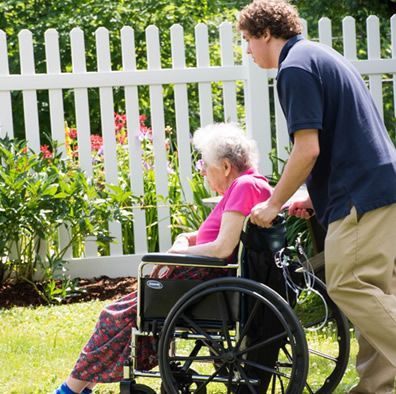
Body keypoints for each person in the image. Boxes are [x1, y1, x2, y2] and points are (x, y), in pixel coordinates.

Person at [237, 1, 396, 393]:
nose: (247, 51)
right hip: (379, 185)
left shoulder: (294, 68)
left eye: (247, 40)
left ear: (266, 34)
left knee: (348, 283)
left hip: (360, 194)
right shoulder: (320, 54)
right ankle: (378, 388)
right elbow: (345, 135)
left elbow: (308, 149)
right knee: (374, 295)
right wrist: (309, 191)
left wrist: (273, 202)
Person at [53, 122, 273, 394]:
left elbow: (221, 248)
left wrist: (175, 256)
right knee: (124, 316)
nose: (203, 172)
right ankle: (80, 388)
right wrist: (186, 239)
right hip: (203, 278)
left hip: (203, 281)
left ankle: (70, 391)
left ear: (226, 167)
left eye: (205, 165)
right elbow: (216, 235)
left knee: (114, 317)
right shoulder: (251, 184)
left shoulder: (243, 186)